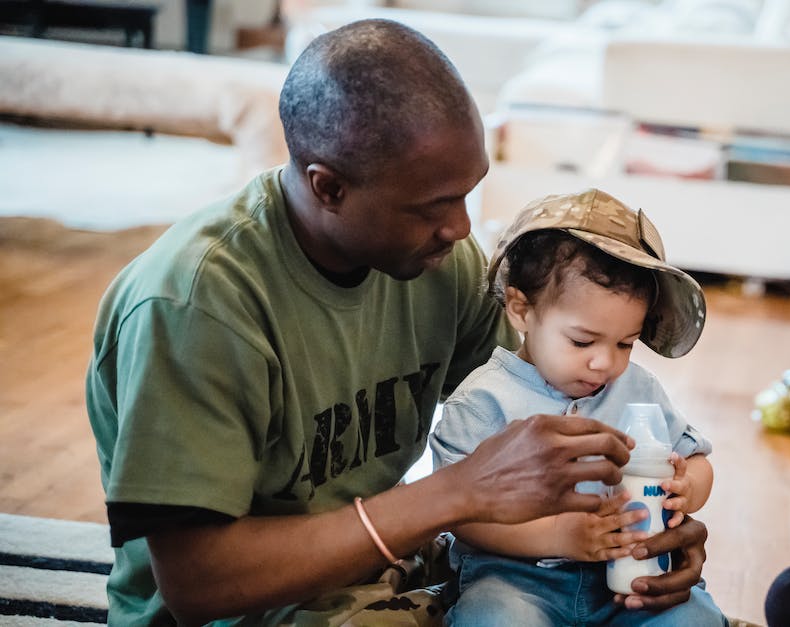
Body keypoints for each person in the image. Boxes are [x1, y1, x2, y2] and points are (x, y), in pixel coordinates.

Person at [85, 20, 710, 626]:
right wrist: (454, 494)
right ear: (327, 188)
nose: (463, 228)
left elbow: (530, 424)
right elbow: (197, 584)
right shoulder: (197, 306)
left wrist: (655, 530)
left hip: (396, 582)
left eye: (469, 194)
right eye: (434, 205)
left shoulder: (439, 264)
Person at [430, 188, 726, 626]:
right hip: (516, 579)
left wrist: (688, 486)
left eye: (626, 343)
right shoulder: (484, 401)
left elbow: (695, 458)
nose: (606, 362)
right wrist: (558, 536)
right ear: (520, 310)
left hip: (632, 576)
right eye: (582, 341)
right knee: (495, 619)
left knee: (692, 618)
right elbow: (459, 515)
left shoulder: (638, 388)